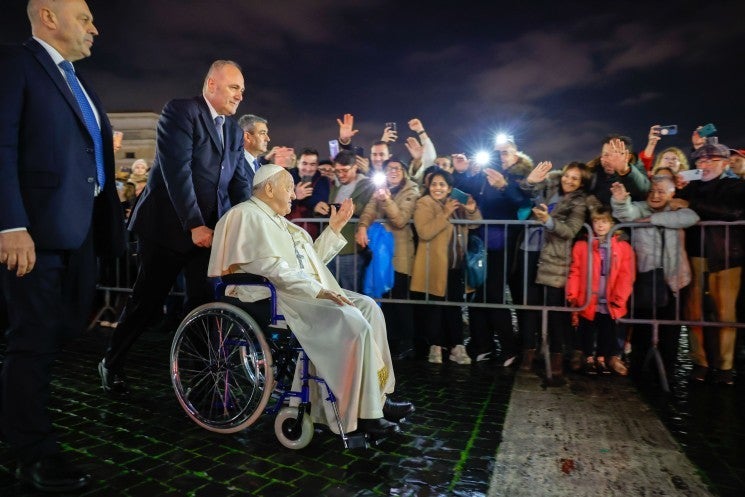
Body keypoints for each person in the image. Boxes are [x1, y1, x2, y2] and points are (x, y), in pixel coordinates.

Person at [0, 0, 125, 492]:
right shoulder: (16, 64)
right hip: (34, 234)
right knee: (33, 340)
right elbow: (2, 145)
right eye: (86, 18)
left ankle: (14, 408)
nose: (95, 27)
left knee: (66, 328)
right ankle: (31, 451)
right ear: (48, 16)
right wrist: (10, 224)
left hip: (80, 231)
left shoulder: (79, 82)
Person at [208, 164, 413, 437]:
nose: (294, 194)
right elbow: (273, 269)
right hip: (270, 296)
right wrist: (317, 291)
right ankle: (364, 415)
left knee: (368, 308)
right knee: (352, 320)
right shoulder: (246, 215)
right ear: (269, 188)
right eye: (289, 188)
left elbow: (310, 264)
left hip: (297, 290)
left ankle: (379, 399)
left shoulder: (282, 222)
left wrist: (334, 229)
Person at [99, 60, 252, 394]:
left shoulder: (235, 131)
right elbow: (176, 172)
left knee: (203, 303)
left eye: (242, 88)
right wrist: (195, 223)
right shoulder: (182, 112)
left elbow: (240, 184)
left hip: (209, 234)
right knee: (148, 302)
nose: (241, 94)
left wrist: (256, 222)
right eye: (234, 86)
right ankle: (112, 362)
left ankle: (201, 379)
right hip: (168, 228)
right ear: (211, 84)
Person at [611, 176, 698, 376]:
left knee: (669, 330)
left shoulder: (676, 209)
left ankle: (664, 373)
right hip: (646, 278)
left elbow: (691, 217)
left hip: (674, 279)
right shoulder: (640, 207)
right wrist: (620, 200)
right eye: (652, 191)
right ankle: (640, 372)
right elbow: (626, 213)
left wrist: (653, 220)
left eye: (661, 192)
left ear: (671, 194)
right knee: (642, 328)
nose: (655, 195)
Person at [673, 142, 745, 385]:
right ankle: (699, 362)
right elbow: (674, 206)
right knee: (692, 310)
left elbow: (734, 212)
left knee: (725, 312)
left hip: (726, 256)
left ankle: (725, 366)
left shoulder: (736, 186)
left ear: (725, 163)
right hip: (694, 254)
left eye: (711, 160)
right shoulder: (691, 187)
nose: (704, 165)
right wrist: (677, 191)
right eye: (700, 161)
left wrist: (691, 205)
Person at [515, 161, 589, 379]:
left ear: (582, 182)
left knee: (554, 310)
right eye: (568, 175)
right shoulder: (549, 187)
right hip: (530, 251)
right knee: (529, 306)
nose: (569, 180)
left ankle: (556, 355)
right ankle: (528, 352)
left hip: (554, 258)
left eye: (575, 178)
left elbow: (571, 230)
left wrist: (548, 221)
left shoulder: (579, 202)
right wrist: (530, 181)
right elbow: (526, 192)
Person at [410, 169, 482, 365]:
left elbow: (475, 224)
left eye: (442, 185)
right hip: (435, 266)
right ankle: (436, 347)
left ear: (450, 188)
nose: (437, 188)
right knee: (435, 307)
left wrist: (472, 209)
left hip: (456, 265)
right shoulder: (424, 203)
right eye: (434, 184)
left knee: (454, 307)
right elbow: (424, 231)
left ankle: (457, 347)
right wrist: (445, 213)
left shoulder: (457, 204)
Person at [356, 158, 419, 358]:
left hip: (399, 255)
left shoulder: (411, 191)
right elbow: (369, 210)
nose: (393, 171)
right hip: (380, 256)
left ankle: (407, 342)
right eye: (389, 168)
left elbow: (400, 220)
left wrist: (386, 199)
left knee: (399, 299)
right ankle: (389, 341)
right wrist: (363, 226)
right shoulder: (381, 188)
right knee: (384, 299)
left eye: (398, 168)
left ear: (404, 172)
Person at [566, 207, 636, 376]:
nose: (600, 225)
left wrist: (620, 297)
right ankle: (589, 357)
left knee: (607, 328)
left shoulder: (623, 247)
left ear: (611, 223)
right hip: (589, 296)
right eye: (596, 221)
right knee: (587, 327)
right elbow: (575, 270)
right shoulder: (582, 245)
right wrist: (572, 293)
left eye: (604, 221)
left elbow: (627, 275)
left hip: (610, 297)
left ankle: (602, 358)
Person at [317, 149, 375, 292]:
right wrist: (319, 208)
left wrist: (354, 211)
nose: (341, 174)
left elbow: (371, 210)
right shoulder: (335, 185)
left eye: (345, 170)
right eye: (337, 171)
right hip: (331, 248)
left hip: (351, 249)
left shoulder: (367, 185)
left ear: (355, 167)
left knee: (351, 293)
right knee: (331, 292)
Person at [587, 135, 650, 205]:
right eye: (605, 154)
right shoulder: (593, 171)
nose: (609, 160)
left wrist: (624, 170)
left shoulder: (636, 169)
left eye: (615, 155)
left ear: (628, 157)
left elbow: (643, 189)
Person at [288, 148, 330, 239]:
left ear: (317, 166)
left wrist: (313, 204)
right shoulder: (286, 177)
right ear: (298, 162)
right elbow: (278, 204)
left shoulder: (323, 181)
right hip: (286, 231)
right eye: (304, 163)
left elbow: (320, 205)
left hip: (311, 234)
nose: (308, 169)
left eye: (312, 164)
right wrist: (296, 196)